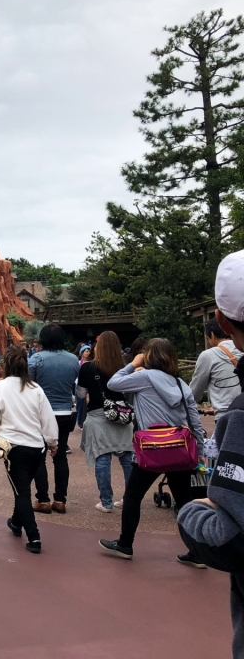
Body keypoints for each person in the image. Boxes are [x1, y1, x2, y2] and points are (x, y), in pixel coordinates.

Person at [179, 250, 244, 653]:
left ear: (221, 320)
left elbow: (231, 539)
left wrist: (195, 510)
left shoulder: (240, 416)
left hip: (226, 424)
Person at [99, 338, 208, 566]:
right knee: (186, 502)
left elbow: (113, 384)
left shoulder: (143, 377)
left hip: (152, 448)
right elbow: (194, 419)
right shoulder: (180, 384)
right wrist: (201, 448)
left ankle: (125, 544)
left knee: (133, 497)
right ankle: (198, 552)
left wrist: (132, 363)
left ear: (148, 356)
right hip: (179, 450)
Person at [0, 345, 59, 554]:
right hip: (37, 448)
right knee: (21, 488)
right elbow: (47, 418)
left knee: (21, 492)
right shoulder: (35, 388)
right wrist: (53, 442)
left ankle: (34, 537)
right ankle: (15, 522)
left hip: (14, 448)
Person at [76, 330, 134, 512]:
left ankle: (106, 502)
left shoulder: (87, 367)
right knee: (127, 458)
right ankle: (130, 498)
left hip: (98, 415)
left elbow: (80, 394)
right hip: (123, 415)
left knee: (102, 458)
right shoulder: (125, 366)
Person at [28, 324, 80, 514]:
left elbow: (29, 385)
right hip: (65, 412)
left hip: (41, 413)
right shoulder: (73, 359)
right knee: (60, 457)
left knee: (39, 457)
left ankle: (43, 499)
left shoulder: (37, 359)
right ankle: (60, 499)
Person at [191, 318, 243, 420]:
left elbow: (194, 393)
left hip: (226, 417)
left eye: (208, 338)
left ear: (212, 334)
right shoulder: (242, 349)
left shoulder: (209, 355)